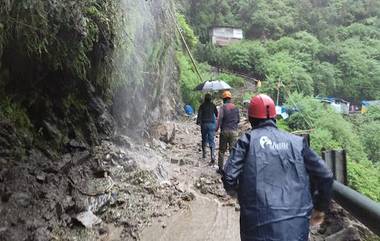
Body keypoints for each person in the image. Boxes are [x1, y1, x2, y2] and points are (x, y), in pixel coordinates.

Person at [222, 94, 333, 241]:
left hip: (256, 228)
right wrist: (319, 208)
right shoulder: (298, 143)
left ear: (251, 119)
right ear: (275, 117)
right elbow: (325, 175)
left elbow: (229, 177)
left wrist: (241, 196)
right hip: (296, 228)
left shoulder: (247, 141)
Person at [216, 90, 240, 173]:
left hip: (225, 131)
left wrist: (216, 129)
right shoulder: (236, 107)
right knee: (232, 151)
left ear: (224, 99)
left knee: (222, 151)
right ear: (230, 98)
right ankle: (232, 169)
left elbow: (219, 119)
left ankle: (220, 168)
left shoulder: (223, 107)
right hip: (234, 132)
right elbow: (238, 120)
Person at [196, 93, 218, 163]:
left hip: (204, 124)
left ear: (205, 99)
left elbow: (199, 115)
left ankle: (204, 154)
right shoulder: (213, 105)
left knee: (204, 139)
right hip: (211, 124)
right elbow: (217, 114)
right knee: (211, 140)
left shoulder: (202, 106)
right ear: (210, 99)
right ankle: (212, 155)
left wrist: (198, 122)